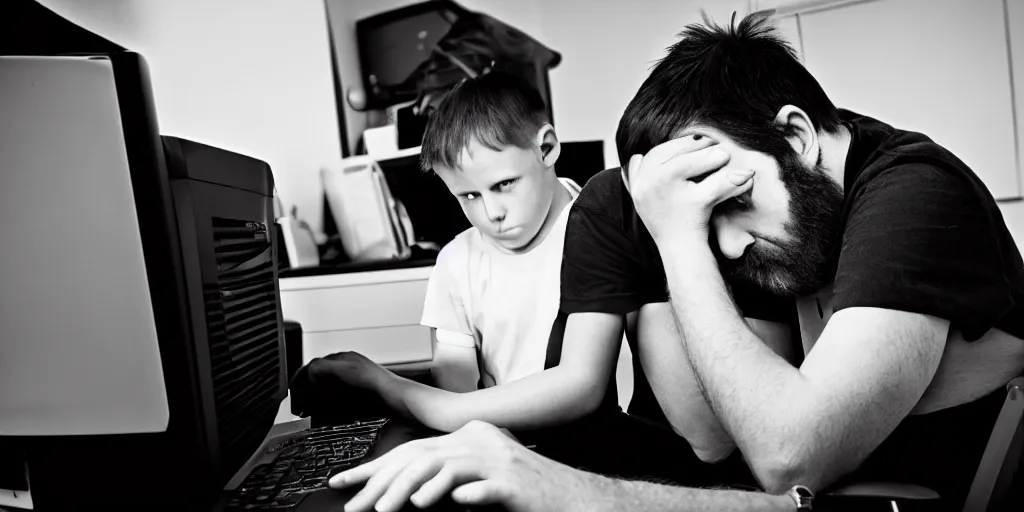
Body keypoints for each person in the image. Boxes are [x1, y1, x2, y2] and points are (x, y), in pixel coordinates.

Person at [326, 11, 1024, 512]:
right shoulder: (794, 223)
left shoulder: (915, 192)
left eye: (733, 199)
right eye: (702, 219)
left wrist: (677, 238)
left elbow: (789, 456)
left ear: (797, 135)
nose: (727, 245)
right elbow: (723, 440)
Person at [304, 71, 625, 436]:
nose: (492, 213)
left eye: (504, 184)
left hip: (603, 443)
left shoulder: (603, 224)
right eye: (469, 196)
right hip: (505, 440)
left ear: (546, 148)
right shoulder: (457, 261)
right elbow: (454, 386)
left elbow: (583, 386)